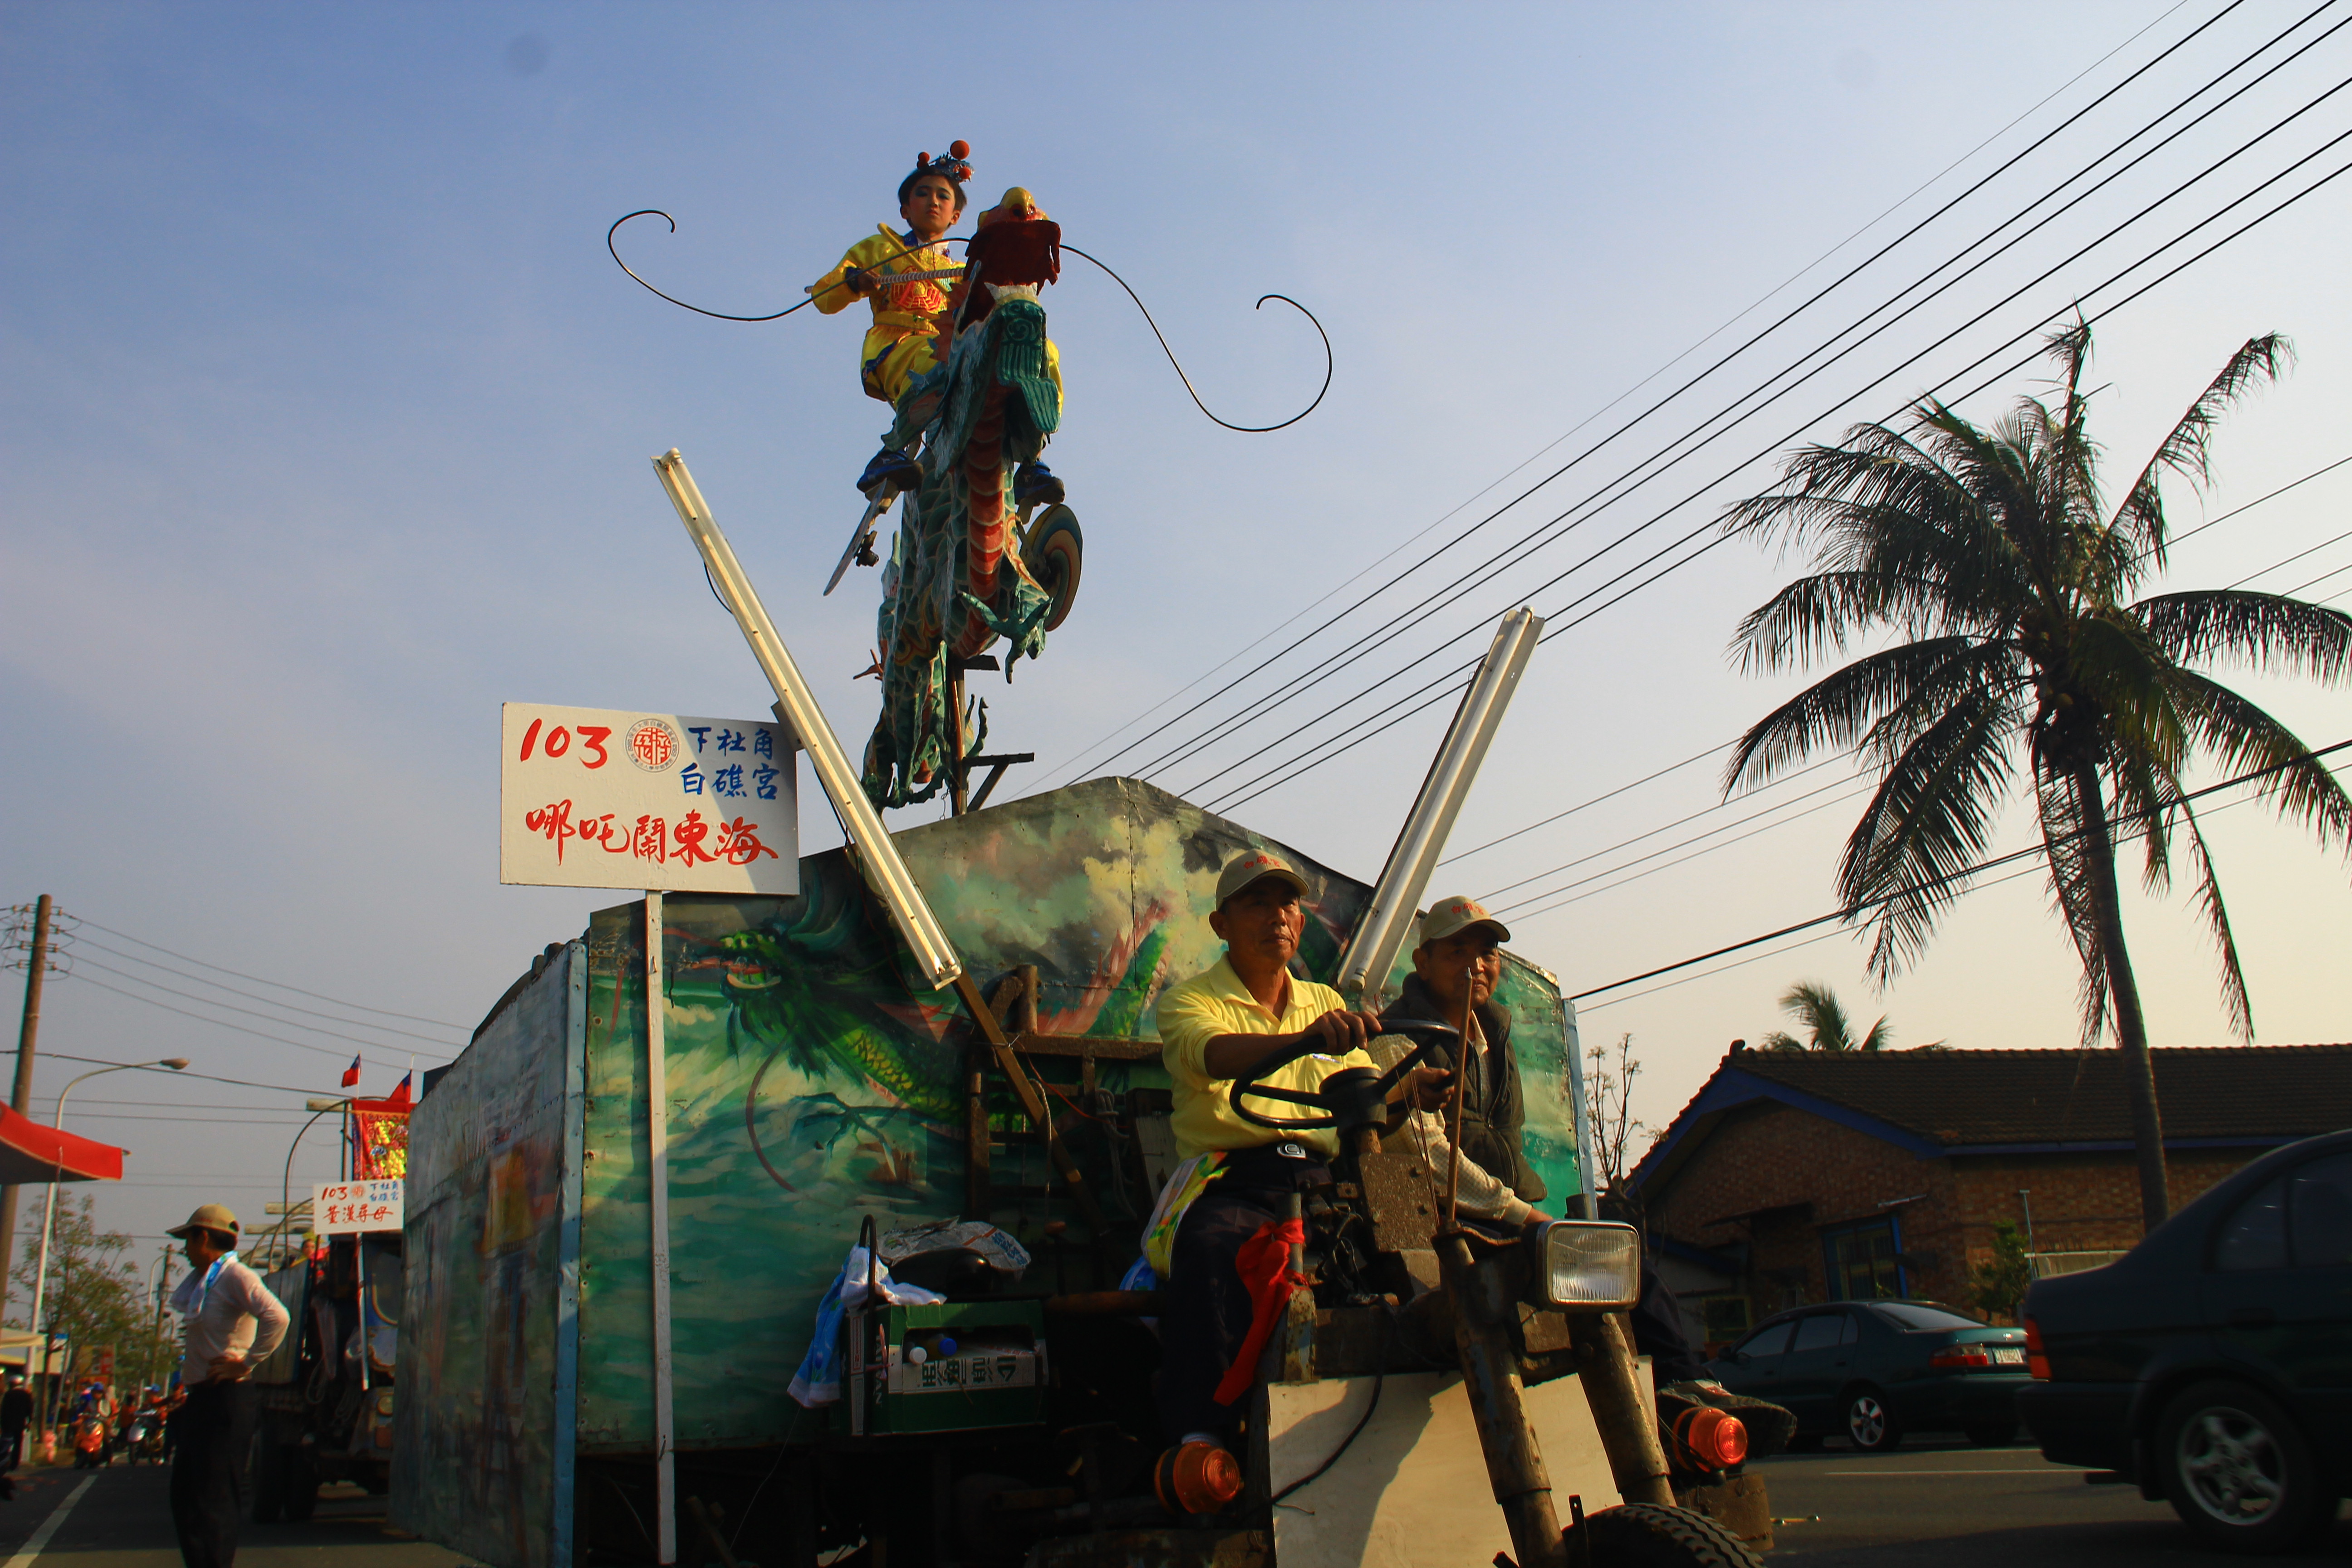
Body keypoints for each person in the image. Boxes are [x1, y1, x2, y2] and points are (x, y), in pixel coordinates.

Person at [1148, 850, 1446, 1468]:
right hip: (1231, 1179)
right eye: (1257, 903)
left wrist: (1408, 1091)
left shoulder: (1325, 1002)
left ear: (1301, 923)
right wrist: (1304, 1041)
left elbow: (1366, 1091)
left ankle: (1439, 1400)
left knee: (1429, 1254)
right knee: (1209, 1249)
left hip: (1326, 1182)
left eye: (1286, 903)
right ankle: (1202, 1441)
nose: (1276, 916)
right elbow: (1213, 1057)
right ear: (1221, 924)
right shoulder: (1187, 1003)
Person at [808, 141, 1063, 507]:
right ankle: (890, 452)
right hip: (899, 343)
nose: (933, 201)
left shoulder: (966, 271)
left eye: (944, 196)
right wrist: (853, 282)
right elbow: (823, 297)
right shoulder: (881, 249)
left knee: (1040, 349)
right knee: (937, 363)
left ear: (956, 215)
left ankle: (1030, 456)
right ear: (905, 209)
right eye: (922, 193)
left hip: (954, 343)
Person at [1374, 896, 1548, 1225]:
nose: (1477, 966)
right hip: (1438, 1220)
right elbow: (1426, 1154)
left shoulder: (1496, 1036)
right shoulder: (1396, 1035)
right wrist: (1526, 1217)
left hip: (1510, 1215)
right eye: (1458, 952)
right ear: (1422, 963)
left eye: (1487, 952)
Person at [164, 1204, 287, 1568]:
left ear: (203, 1237)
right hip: (202, 1398)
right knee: (186, 1494)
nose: (184, 1249)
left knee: (214, 1499)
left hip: (228, 1398)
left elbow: (278, 1316)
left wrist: (246, 1362)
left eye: (187, 1240)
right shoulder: (206, 1282)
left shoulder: (237, 1276)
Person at [0, 1368, 29, 1473]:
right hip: (20, 1423)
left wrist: (2, 1423)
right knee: (18, 1444)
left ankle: (3, 1461)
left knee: (5, 1443)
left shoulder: (8, 1395)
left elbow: (3, 1410)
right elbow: (30, 1410)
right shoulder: (26, 1395)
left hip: (8, 1423)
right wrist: (29, 1421)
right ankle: (14, 1464)